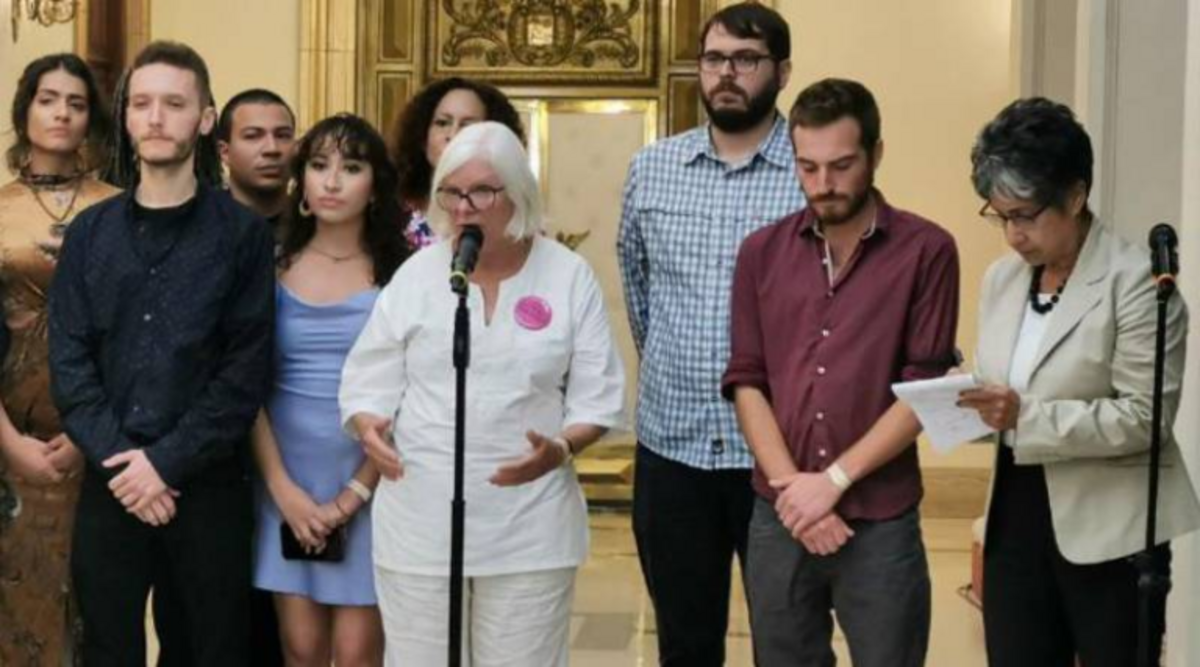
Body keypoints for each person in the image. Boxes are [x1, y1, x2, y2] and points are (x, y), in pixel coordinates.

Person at [340, 121, 625, 665]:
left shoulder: (567, 276)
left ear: (517, 193)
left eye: (481, 192)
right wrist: (368, 427)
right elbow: (367, 379)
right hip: (421, 519)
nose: (463, 208)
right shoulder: (418, 275)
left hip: (529, 524)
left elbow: (599, 394)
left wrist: (560, 448)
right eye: (451, 192)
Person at [48, 41, 275, 665]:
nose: (155, 118)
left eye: (174, 104)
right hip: (112, 481)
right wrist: (131, 469)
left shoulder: (243, 235)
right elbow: (69, 363)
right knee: (106, 651)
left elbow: (243, 372)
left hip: (208, 486)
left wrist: (166, 464)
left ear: (204, 119)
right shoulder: (89, 234)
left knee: (210, 652)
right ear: (125, 117)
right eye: (141, 103)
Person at [721, 78, 960, 667]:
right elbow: (748, 381)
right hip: (780, 516)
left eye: (842, 165)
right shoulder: (760, 253)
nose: (823, 184)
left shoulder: (927, 251)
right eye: (808, 167)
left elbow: (924, 391)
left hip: (880, 519)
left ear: (876, 154)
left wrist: (832, 482)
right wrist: (796, 493)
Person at [958, 97, 1200, 667]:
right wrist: (964, 400)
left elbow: (1144, 418)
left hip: (1110, 532)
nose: (1012, 234)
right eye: (1000, 215)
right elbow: (1002, 390)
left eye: (1025, 215)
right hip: (1014, 518)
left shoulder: (1137, 283)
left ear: (1074, 195)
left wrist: (1023, 415)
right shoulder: (1002, 280)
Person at [615, 3, 802, 663]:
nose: (727, 74)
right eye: (715, 58)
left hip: (780, 454)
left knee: (787, 642)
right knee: (685, 644)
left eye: (746, 60)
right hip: (673, 449)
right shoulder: (653, 168)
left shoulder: (813, 172)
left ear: (781, 71)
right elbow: (639, 290)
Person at [253, 113, 407, 666]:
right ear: (301, 182)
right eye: (319, 166)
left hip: (373, 480)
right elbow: (247, 388)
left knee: (358, 652)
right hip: (283, 477)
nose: (333, 181)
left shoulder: (403, 275)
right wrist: (283, 491)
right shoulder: (268, 266)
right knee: (301, 649)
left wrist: (354, 494)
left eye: (352, 167)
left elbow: (410, 394)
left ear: (376, 186)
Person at [0, 52, 119, 667]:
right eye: (48, 100)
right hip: (9, 436)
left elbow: (132, 336)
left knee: (97, 604)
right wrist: (8, 443)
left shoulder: (120, 207)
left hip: (100, 439)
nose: (62, 113)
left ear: (90, 117)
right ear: (25, 110)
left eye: (76, 103)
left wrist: (87, 435)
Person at [389, 77, 524, 250]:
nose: (452, 134)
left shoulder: (513, 217)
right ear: (422, 136)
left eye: (467, 126)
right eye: (442, 123)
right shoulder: (390, 213)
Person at [217, 88, 296, 224]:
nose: (272, 149)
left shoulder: (319, 224)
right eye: (253, 136)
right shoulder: (200, 224)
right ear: (225, 152)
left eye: (282, 135)